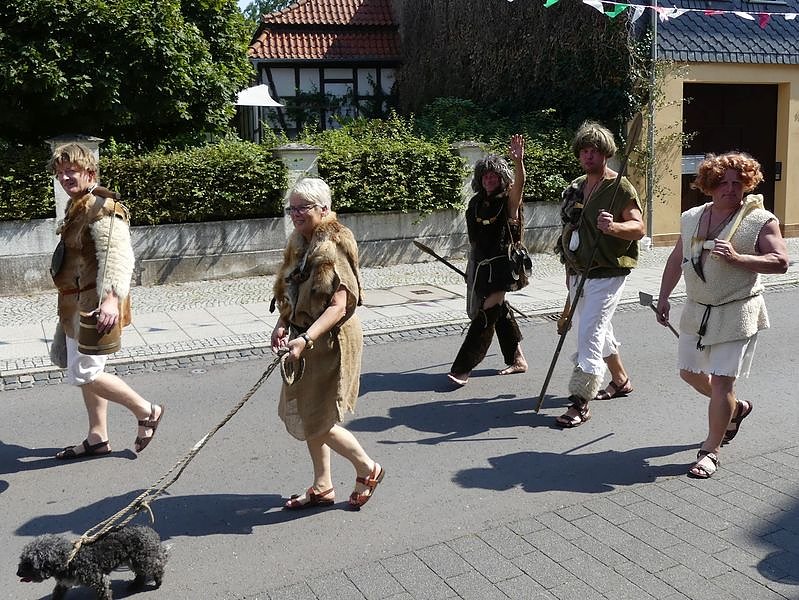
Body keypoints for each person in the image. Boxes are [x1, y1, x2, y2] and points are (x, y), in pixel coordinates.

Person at [656, 152, 788, 479]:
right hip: (697, 309)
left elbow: (780, 261)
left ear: (747, 184)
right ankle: (735, 408)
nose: (731, 189)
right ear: (710, 185)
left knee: (721, 383)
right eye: (723, 182)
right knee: (689, 372)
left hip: (737, 310)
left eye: (738, 183)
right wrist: (663, 297)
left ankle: (710, 450)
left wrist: (740, 258)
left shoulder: (761, 220)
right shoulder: (691, 218)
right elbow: (676, 259)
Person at [271, 177, 384, 509]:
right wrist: (283, 322)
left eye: (303, 208)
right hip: (303, 338)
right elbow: (292, 291)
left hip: (331, 340)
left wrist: (306, 338)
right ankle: (322, 485)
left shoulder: (334, 246)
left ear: (324, 208)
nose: (296, 214)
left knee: (318, 418)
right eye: (292, 208)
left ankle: (368, 468)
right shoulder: (298, 243)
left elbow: (339, 306)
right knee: (310, 414)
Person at [48, 143, 163, 459]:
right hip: (75, 307)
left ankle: (146, 410)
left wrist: (111, 299)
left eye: (71, 170)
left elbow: (119, 255)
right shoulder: (78, 206)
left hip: (97, 306)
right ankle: (97, 436)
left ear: (89, 172)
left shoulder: (102, 207)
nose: (65, 177)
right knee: (84, 369)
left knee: (85, 373)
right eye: (60, 173)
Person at [554, 121, 644, 427]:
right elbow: (568, 228)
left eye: (594, 151)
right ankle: (620, 379)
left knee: (588, 333)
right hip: (578, 271)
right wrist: (569, 270)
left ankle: (580, 401)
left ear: (605, 153)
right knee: (592, 326)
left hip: (607, 272)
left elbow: (639, 228)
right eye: (584, 151)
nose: (588, 156)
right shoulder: (577, 186)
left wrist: (614, 227)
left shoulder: (620, 187)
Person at [447, 135, 529, 386]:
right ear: (480, 179)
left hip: (503, 268)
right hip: (481, 266)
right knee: (498, 311)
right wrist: (470, 269)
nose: (489, 179)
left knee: (485, 314)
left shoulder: (508, 202)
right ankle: (517, 358)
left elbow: (519, 187)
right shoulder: (474, 204)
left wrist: (519, 162)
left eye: (494, 175)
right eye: (485, 176)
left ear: (501, 178)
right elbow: (474, 242)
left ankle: (463, 367)